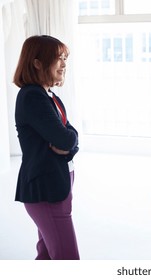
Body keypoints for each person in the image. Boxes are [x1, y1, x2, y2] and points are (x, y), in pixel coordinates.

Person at [13, 35, 80, 260]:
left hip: (57, 185)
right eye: (58, 58)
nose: (63, 64)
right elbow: (65, 138)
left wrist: (69, 144)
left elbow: (71, 137)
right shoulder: (32, 96)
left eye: (65, 58)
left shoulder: (50, 96)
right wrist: (68, 142)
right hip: (46, 191)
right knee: (66, 258)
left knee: (47, 256)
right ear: (37, 62)